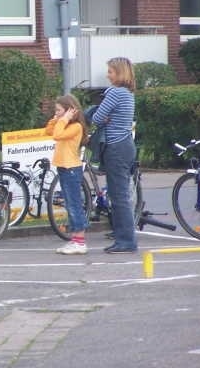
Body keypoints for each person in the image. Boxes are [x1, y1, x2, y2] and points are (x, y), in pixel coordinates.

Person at [92, 56, 137, 254]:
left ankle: (126, 241)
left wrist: (104, 118)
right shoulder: (127, 93)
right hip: (126, 144)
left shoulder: (114, 93)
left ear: (119, 73)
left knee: (118, 196)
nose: (107, 75)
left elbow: (97, 117)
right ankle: (122, 237)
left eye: (110, 71)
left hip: (116, 147)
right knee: (120, 194)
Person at [45, 94, 90, 255]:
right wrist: (57, 118)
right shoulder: (62, 124)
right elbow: (49, 130)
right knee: (69, 203)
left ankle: (80, 241)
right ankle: (74, 239)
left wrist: (63, 119)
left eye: (59, 110)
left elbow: (57, 135)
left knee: (74, 204)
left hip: (72, 168)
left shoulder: (75, 126)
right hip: (63, 167)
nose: (56, 112)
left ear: (70, 111)